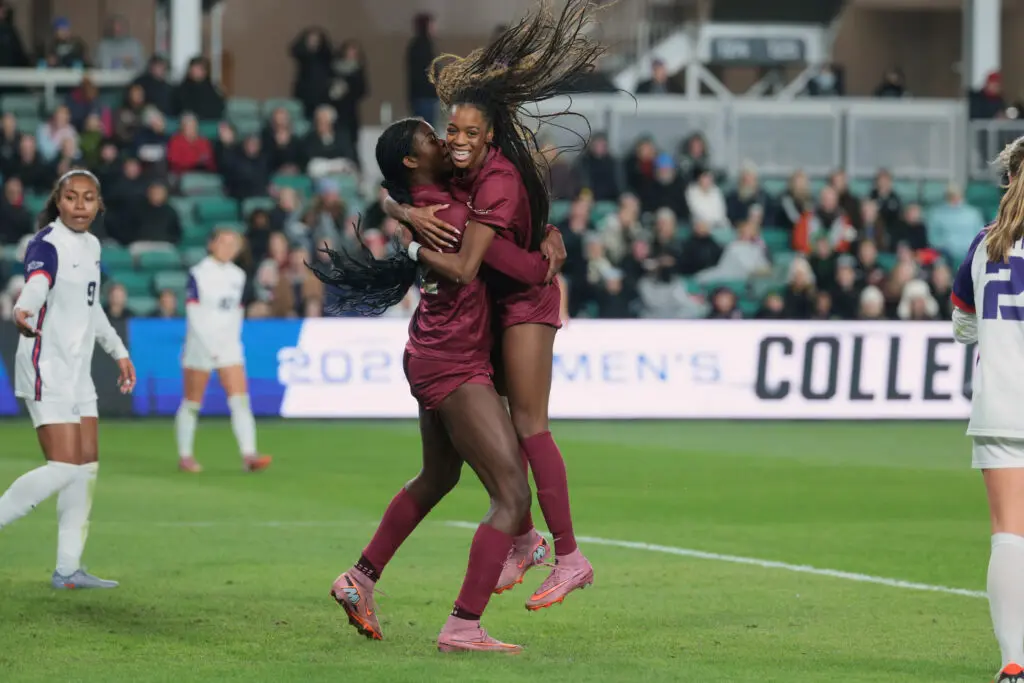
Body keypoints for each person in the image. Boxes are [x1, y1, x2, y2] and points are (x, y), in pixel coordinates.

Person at [310, 118, 558, 653]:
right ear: (410, 159)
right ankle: (463, 624)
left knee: (438, 475)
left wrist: (398, 211)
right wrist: (543, 255)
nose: (444, 142)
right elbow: (478, 265)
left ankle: (359, 579)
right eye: (430, 137)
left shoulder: (437, 201)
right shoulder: (452, 211)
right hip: (453, 361)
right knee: (512, 494)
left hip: (431, 350)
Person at [384, 0, 599, 610]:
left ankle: (568, 555)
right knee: (499, 439)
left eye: (466, 132)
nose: (453, 139)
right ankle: (524, 539)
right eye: (448, 129)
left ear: (489, 137)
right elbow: (404, 190)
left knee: (528, 428)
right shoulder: (466, 175)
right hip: (499, 311)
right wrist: (400, 212)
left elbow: (511, 263)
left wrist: (417, 242)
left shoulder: (496, 180)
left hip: (527, 300)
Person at [0, 170, 135, 589]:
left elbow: (92, 310)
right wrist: (23, 309)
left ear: (98, 205)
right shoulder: (46, 243)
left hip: (78, 373)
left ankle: (67, 569)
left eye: (88, 198)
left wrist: (119, 351)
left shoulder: (92, 245)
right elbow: (37, 284)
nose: (80, 205)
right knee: (62, 467)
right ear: (59, 201)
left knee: (84, 469)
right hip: (46, 365)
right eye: (72, 197)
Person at [950, 135, 1024, 683]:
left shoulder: (985, 243)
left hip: (999, 403)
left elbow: (962, 326)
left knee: (1007, 534)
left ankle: (1013, 663)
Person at [176, 229, 271, 474]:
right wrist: (210, 346)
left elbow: (236, 312)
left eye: (234, 244)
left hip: (229, 346)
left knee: (240, 401)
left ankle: (249, 454)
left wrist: (231, 343)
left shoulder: (238, 276)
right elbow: (194, 314)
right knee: (192, 403)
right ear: (212, 244)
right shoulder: (199, 273)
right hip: (201, 346)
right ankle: (185, 455)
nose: (229, 248)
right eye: (224, 242)